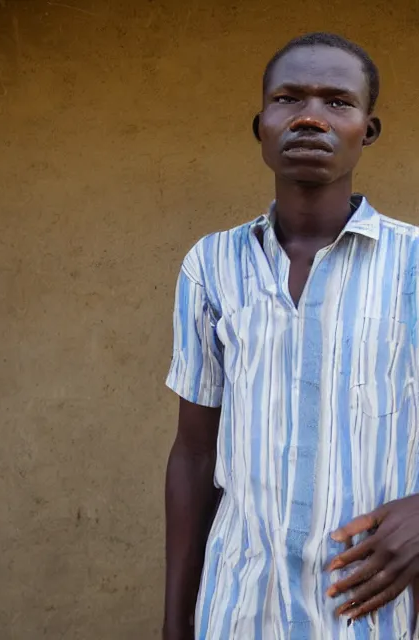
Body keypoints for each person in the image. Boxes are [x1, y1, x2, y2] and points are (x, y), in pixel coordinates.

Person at [163, 32, 419, 640]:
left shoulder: (414, 265)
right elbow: (194, 455)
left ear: (369, 128)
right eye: (289, 99)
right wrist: (175, 622)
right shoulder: (212, 265)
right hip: (238, 611)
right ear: (261, 125)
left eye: (337, 101)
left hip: (375, 614)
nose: (310, 116)